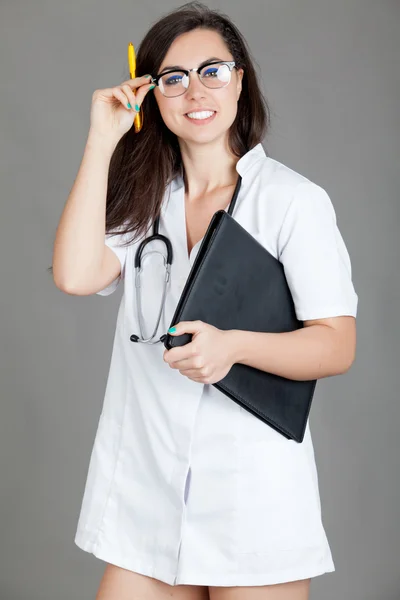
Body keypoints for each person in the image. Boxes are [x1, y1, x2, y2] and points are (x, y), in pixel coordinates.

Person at [51, 2, 358, 599]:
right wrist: (101, 137)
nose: (196, 90)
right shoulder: (144, 204)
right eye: (173, 78)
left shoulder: (293, 201)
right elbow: (74, 275)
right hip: (146, 495)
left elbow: (337, 343)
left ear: (241, 80)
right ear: (152, 95)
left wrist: (233, 348)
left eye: (213, 70)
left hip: (252, 501)